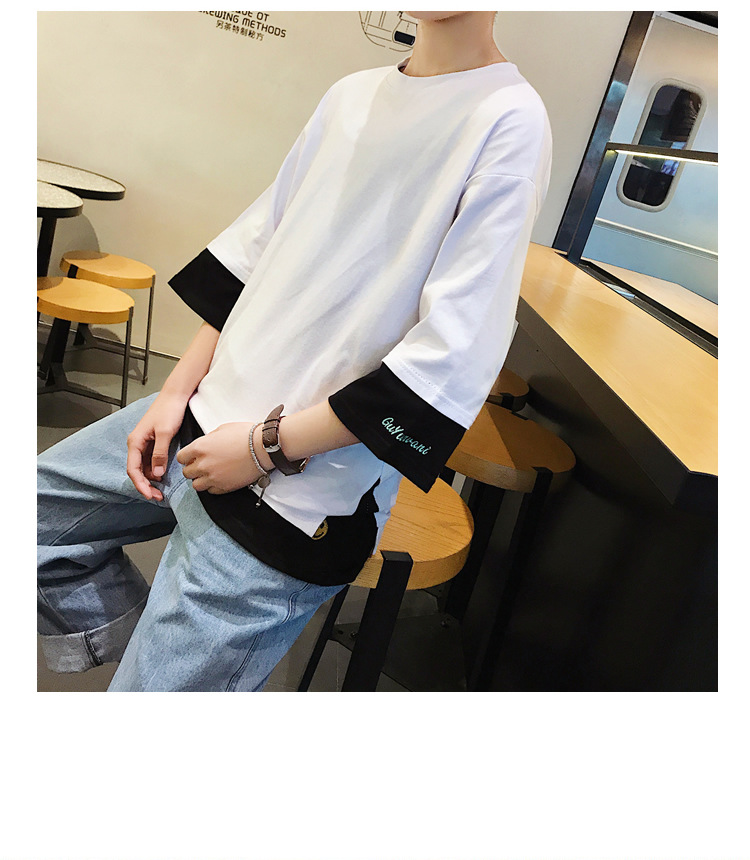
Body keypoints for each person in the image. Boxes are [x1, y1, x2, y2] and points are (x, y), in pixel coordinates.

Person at [37, 10, 553, 691]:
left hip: (293, 490)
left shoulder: (508, 118)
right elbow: (258, 254)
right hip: (194, 424)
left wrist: (263, 447)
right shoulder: (352, 94)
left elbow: (453, 352)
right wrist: (173, 393)